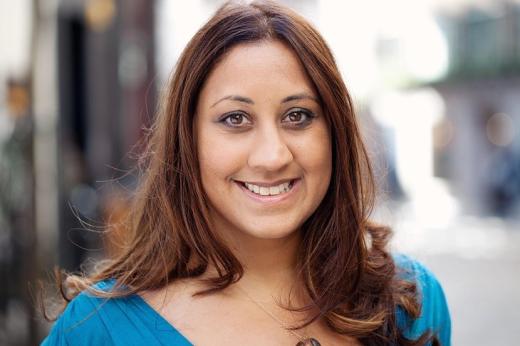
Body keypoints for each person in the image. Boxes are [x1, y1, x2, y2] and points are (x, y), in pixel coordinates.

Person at [42, 1, 451, 345]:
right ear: (189, 141)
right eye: (235, 118)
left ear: (335, 134)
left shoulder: (410, 302)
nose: (272, 156)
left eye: (298, 115)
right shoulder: (96, 329)